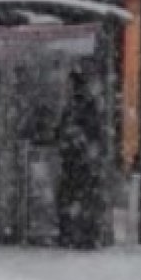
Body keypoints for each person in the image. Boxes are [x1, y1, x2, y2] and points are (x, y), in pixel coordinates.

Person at [57, 68, 102, 249]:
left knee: (73, 198)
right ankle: (80, 235)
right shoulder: (82, 106)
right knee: (78, 198)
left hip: (77, 162)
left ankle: (76, 235)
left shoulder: (78, 107)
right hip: (78, 162)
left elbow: (68, 131)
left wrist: (69, 140)